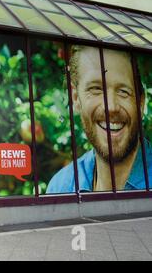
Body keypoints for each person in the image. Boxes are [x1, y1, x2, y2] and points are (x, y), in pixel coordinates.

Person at [47, 46, 152, 193]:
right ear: (76, 98)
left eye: (123, 91)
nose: (111, 107)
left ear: (140, 103)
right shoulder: (61, 187)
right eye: (96, 89)